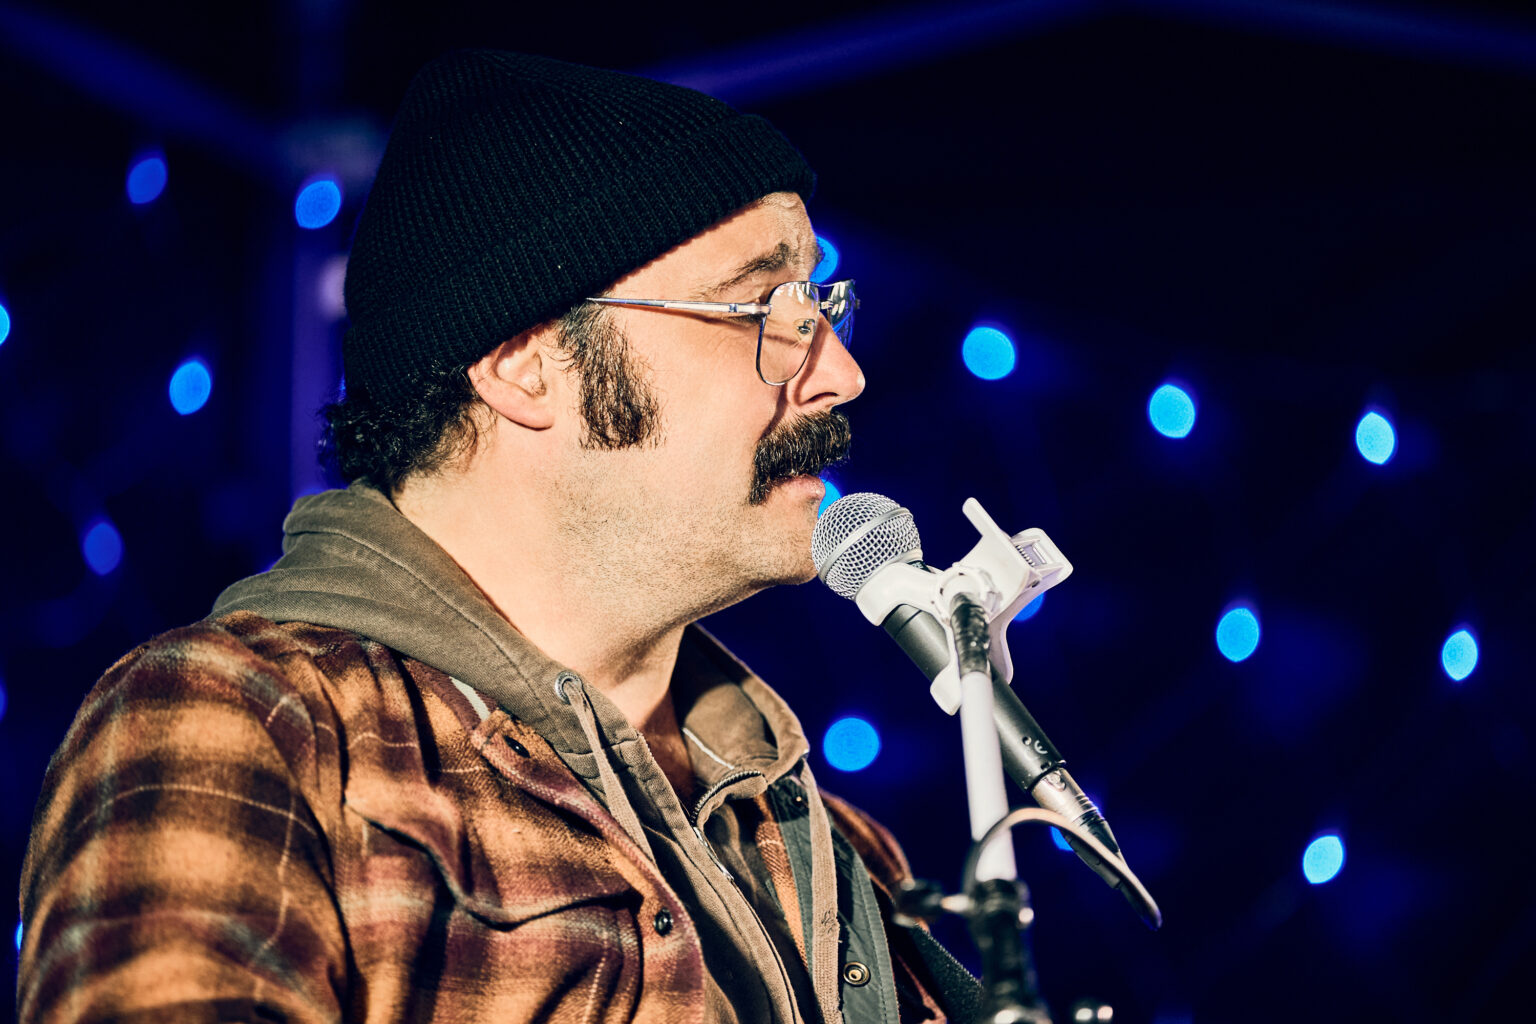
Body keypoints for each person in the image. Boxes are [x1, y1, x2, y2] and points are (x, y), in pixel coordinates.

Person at [17, 50, 981, 1024]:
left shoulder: (843, 852)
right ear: (524, 365)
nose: (840, 372)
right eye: (767, 308)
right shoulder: (249, 729)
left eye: (822, 305)